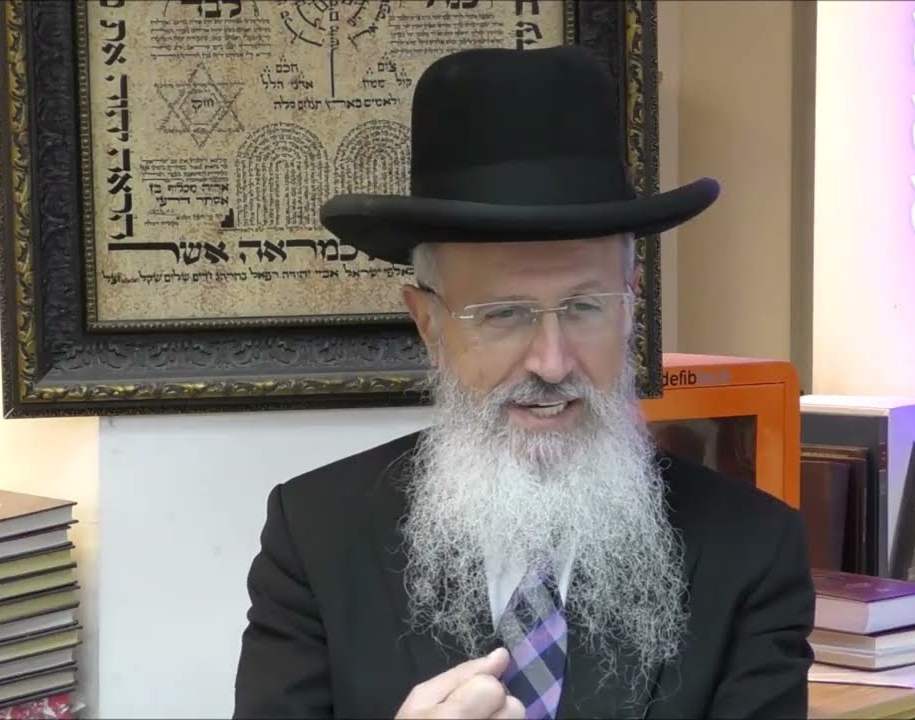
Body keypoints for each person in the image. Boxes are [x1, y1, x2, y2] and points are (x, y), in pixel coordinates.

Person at [233, 45, 815, 720]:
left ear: (631, 303)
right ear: (428, 321)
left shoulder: (751, 550)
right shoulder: (317, 534)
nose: (552, 362)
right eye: (503, 315)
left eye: (586, 307)